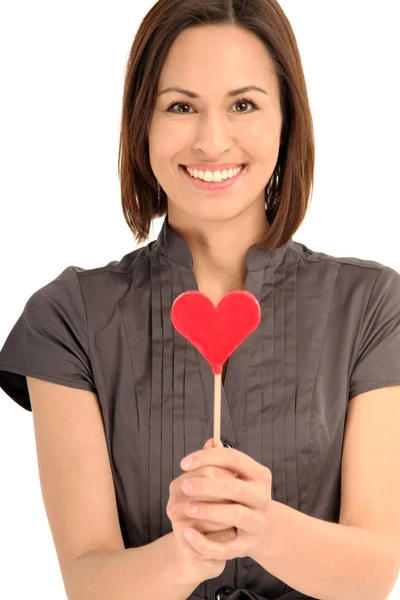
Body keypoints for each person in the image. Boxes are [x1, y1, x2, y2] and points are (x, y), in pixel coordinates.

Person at [1, 1, 399, 599]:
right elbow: (88, 580)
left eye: (244, 104)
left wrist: (262, 527)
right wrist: (186, 553)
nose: (213, 141)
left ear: (287, 119)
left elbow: (373, 573)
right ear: (143, 122)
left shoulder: (373, 306)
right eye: (181, 106)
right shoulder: (69, 318)